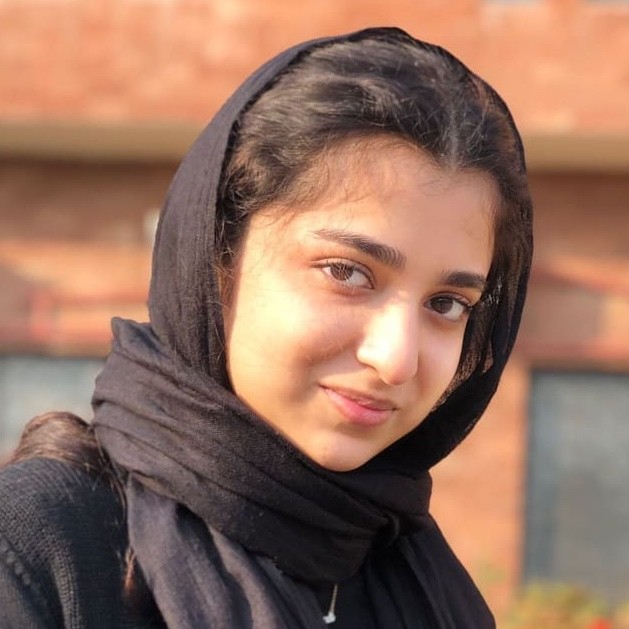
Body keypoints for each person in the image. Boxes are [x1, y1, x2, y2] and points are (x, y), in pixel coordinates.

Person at [0, 26, 532, 628]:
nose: (396, 359)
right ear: (216, 259)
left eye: (447, 304)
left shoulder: (414, 582)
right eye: (347, 272)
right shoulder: (43, 549)